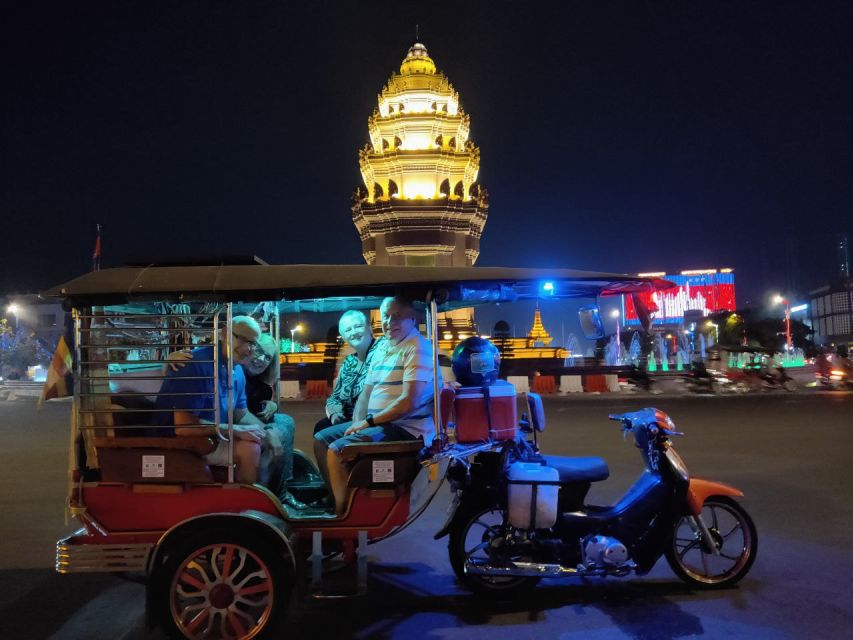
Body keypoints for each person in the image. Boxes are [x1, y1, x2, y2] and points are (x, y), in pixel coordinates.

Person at [314, 296, 437, 513]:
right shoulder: (384, 348)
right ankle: (340, 498)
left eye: (397, 316)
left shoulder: (417, 348)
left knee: (336, 451)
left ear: (413, 319)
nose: (389, 322)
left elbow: (410, 401)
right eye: (386, 317)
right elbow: (366, 393)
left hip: (405, 429)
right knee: (321, 440)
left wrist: (367, 422)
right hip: (382, 425)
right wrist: (357, 424)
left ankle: (343, 515)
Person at [156, 316, 270, 484]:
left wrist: (268, 432)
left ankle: (273, 496)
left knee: (271, 437)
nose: (248, 349)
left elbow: (241, 414)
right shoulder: (193, 364)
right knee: (249, 449)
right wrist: (236, 430)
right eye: (243, 340)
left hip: (210, 436)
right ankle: (246, 505)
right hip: (177, 443)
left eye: (253, 343)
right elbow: (184, 427)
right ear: (224, 333)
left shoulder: (237, 369)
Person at [314, 309, 385, 434]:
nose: (353, 332)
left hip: (374, 420)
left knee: (324, 432)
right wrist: (334, 414)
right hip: (347, 419)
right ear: (344, 337)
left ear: (369, 328)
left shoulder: (382, 350)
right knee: (322, 426)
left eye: (358, 326)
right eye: (348, 330)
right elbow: (335, 398)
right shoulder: (349, 363)